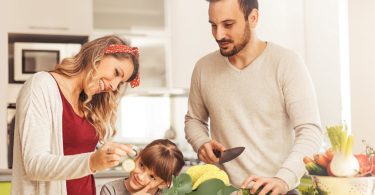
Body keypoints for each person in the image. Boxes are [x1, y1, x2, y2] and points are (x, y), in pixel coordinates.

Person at [184, 0, 323, 194]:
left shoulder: (286, 63)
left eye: (228, 24)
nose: (219, 34)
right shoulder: (203, 68)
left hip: (278, 190)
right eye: (213, 25)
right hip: (223, 190)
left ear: (253, 18)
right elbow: (193, 120)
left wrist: (284, 179)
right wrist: (202, 142)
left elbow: (310, 131)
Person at [12, 35, 141, 195]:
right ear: (98, 54)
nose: (114, 86)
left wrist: (106, 152)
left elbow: (75, 148)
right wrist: (92, 161)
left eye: (120, 83)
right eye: (116, 72)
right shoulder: (41, 86)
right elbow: (34, 165)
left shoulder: (87, 102)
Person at [100, 139, 185, 195]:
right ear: (137, 157)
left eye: (152, 176)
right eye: (141, 165)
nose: (140, 177)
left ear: (163, 183)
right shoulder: (110, 190)